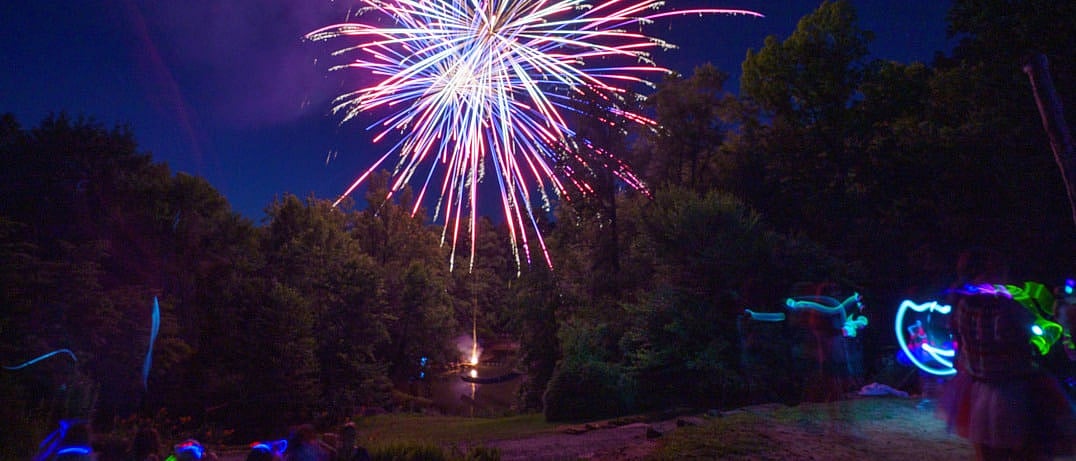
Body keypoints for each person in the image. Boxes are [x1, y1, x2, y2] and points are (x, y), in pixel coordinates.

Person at [940, 249, 1074, 460]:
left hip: (979, 389)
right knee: (1028, 450)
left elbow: (962, 348)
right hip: (1015, 389)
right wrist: (1049, 333)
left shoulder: (962, 305)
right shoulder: (1006, 306)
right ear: (993, 270)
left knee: (988, 452)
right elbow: (1027, 344)